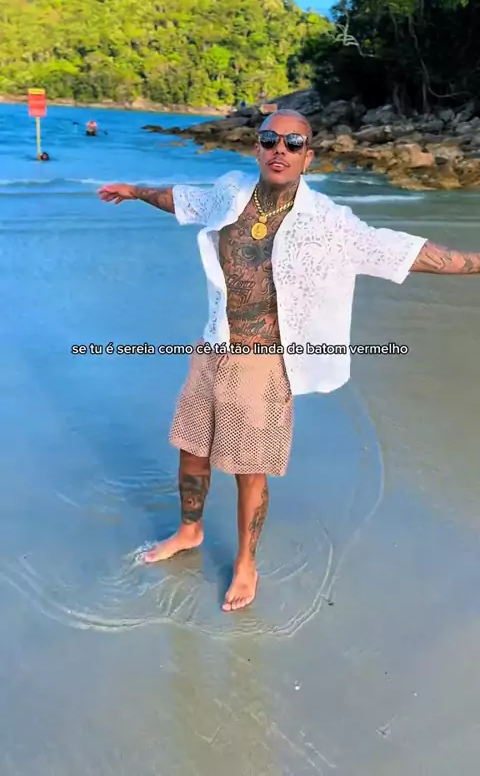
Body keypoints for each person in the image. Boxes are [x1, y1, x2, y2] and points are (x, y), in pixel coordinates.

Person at [98, 109, 480, 612]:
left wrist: (476, 263)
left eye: (293, 143)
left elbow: (400, 251)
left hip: (265, 358)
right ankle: (189, 530)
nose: (280, 149)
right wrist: (134, 190)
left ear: (308, 156)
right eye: (270, 139)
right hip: (214, 343)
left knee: (248, 469)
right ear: (257, 149)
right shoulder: (231, 194)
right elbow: (183, 200)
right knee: (191, 450)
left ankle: (245, 562)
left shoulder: (329, 223)